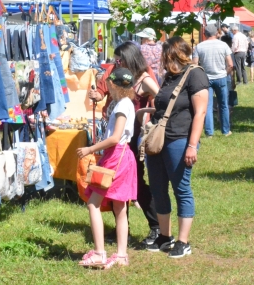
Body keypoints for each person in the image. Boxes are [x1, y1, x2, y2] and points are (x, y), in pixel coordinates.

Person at [140, 37, 208, 258]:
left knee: (181, 189)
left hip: (179, 140)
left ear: (176, 54)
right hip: (159, 141)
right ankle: (165, 236)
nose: (162, 60)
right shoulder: (170, 77)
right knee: (158, 188)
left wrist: (192, 146)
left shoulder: (195, 74)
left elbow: (200, 113)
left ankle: (183, 241)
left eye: (165, 55)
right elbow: (164, 108)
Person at [89, 42, 160, 246]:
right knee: (112, 184)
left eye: (119, 59)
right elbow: (103, 89)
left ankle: (155, 226)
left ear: (129, 58)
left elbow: (162, 98)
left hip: (131, 136)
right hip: (114, 136)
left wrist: (149, 117)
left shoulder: (144, 76)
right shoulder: (115, 71)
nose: (115, 62)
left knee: (136, 183)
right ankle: (123, 230)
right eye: (115, 59)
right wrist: (98, 95)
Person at [77, 68, 137, 269]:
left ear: (114, 85)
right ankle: (121, 255)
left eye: (108, 84)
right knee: (120, 207)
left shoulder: (122, 106)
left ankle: (99, 253)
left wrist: (90, 149)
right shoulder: (127, 103)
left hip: (116, 156)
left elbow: (114, 137)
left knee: (93, 203)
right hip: (123, 156)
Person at [193, 24, 233, 137]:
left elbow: (194, 64)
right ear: (216, 33)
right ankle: (226, 130)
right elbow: (230, 64)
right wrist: (225, 74)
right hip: (221, 77)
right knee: (223, 105)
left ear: (205, 34)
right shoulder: (223, 45)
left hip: (206, 79)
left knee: (207, 106)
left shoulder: (199, 46)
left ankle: (209, 132)